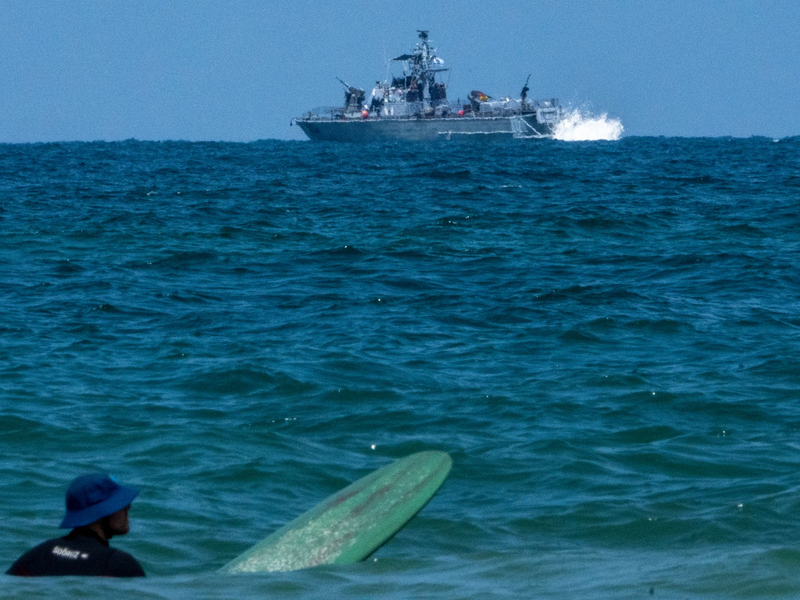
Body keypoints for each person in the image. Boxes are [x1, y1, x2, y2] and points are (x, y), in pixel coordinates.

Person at [6, 473, 145, 577]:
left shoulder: (39, 553)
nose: (127, 506)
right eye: (120, 504)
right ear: (104, 512)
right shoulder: (120, 564)